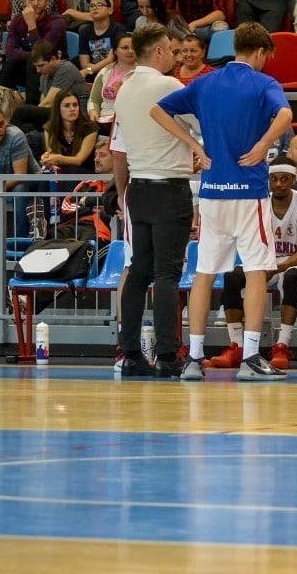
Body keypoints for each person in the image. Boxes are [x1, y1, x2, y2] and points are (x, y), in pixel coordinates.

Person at [152, 22, 294, 382]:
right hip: (249, 192)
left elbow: (157, 111)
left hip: (213, 190)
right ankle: (250, 358)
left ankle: (195, 358)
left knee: (204, 273)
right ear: (261, 53)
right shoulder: (264, 83)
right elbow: (287, 116)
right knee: (257, 270)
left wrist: (195, 146)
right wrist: (263, 145)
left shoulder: (204, 82)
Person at [111, 23, 194, 378]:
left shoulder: (124, 89)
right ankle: (167, 356)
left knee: (138, 273)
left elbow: (119, 146)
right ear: (158, 52)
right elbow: (198, 124)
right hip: (169, 187)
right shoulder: (170, 86)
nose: (176, 58)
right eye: (172, 52)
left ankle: (129, 353)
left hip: (138, 188)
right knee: (166, 275)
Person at [209, 156, 297, 370]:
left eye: (284, 179)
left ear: (293, 180)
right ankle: (237, 346)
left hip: (291, 263)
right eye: (274, 179)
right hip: (262, 261)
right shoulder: (258, 203)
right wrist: (260, 266)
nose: (278, 184)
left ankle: (282, 345)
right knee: (231, 276)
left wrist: (276, 267)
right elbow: (245, 240)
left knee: (291, 279)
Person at [1, 0, 67, 105]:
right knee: (10, 63)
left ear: (46, 1)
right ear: (24, 1)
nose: (35, 3)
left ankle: (32, 110)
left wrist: (31, 24)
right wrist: (31, 56)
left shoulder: (57, 21)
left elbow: (43, 54)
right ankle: (4, 108)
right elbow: (10, 52)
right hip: (26, 68)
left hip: (53, 69)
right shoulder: (17, 20)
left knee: (34, 63)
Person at [10, 41, 89, 135]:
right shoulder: (44, 76)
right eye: (36, 67)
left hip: (75, 114)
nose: (38, 70)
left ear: (53, 59)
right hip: (57, 113)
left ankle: (9, 142)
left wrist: (31, 114)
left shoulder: (65, 68)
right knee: (28, 129)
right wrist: (34, 115)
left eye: (41, 66)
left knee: (21, 112)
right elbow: (43, 103)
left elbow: (49, 102)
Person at [53, 138, 115, 244]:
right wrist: (90, 208)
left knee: (83, 241)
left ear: (116, 159)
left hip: (102, 230)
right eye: (95, 155)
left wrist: (88, 203)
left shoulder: (123, 185)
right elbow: (66, 206)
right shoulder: (87, 184)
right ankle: (40, 231)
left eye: (102, 155)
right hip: (78, 224)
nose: (96, 159)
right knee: (53, 236)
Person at [0, 107, 35, 237]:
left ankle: (20, 242)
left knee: (19, 189)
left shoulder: (16, 136)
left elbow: (20, 176)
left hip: (30, 181)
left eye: (0, 125)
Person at [40, 89, 99, 175]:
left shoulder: (90, 128)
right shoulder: (49, 128)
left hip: (85, 173)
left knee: (70, 171)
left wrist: (59, 159)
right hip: (62, 172)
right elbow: (52, 155)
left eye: (75, 105)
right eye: (67, 106)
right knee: (47, 173)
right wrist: (47, 158)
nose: (72, 109)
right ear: (58, 109)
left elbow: (79, 160)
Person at [88, 33, 136, 126]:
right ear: (115, 51)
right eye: (125, 48)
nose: (130, 51)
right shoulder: (104, 71)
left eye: (133, 47)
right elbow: (94, 99)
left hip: (131, 121)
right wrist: (93, 111)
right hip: (105, 120)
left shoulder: (142, 72)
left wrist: (87, 70)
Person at [77, 0, 126, 80]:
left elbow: (112, 60)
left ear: (110, 10)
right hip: (92, 74)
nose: (95, 8)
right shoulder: (84, 32)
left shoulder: (118, 30)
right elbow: (84, 64)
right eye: (92, 5)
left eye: (99, 5)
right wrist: (91, 71)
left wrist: (88, 70)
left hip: (114, 74)